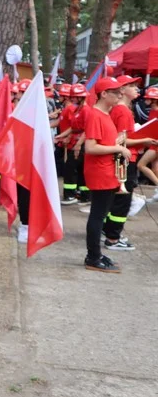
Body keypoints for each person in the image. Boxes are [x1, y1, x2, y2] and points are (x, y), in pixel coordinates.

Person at [82, 77, 133, 274]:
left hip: (107, 170)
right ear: (104, 94)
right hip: (100, 172)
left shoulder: (105, 115)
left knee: (101, 215)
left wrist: (117, 140)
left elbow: (102, 141)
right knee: (98, 215)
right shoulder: (96, 115)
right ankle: (93, 256)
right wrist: (118, 147)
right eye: (116, 93)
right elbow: (91, 147)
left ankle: (96, 254)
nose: (120, 96)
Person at [101, 76, 154, 250]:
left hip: (124, 158)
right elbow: (122, 139)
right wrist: (146, 138)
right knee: (122, 200)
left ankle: (109, 231)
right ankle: (113, 238)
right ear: (123, 90)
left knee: (116, 199)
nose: (137, 90)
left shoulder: (118, 109)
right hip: (126, 158)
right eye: (133, 86)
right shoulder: (123, 111)